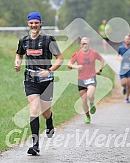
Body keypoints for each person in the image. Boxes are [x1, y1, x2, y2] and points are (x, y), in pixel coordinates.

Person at [14, 12, 63, 155]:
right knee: (34, 109)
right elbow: (19, 54)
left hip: (46, 80)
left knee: (45, 112)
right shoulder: (24, 40)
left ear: (41, 23)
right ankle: (35, 145)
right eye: (31, 23)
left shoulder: (48, 40)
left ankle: (49, 121)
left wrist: (50, 70)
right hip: (30, 80)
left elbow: (60, 58)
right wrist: (17, 63)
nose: (34, 25)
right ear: (28, 23)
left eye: (36, 22)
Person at [68, 37, 104, 124]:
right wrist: (76, 66)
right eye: (83, 43)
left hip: (91, 77)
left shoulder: (94, 53)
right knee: (83, 100)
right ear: (80, 44)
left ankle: (92, 103)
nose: (84, 45)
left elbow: (102, 60)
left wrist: (100, 69)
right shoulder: (77, 54)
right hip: (81, 80)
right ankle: (87, 116)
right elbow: (69, 64)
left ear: (89, 44)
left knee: (90, 95)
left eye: (86, 43)